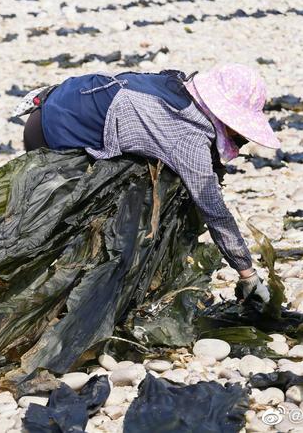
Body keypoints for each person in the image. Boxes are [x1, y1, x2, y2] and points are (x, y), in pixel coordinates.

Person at [17, 63, 280, 304]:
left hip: (60, 101)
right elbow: (212, 208)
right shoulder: (187, 135)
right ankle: (46, 300)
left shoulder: (178, 88)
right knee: (60, 230)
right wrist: (247, 274)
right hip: (50, 133)